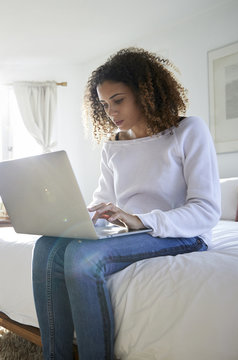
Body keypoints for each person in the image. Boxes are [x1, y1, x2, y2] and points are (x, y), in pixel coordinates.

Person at [31, 47, 221, 359]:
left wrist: (140, 220)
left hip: (182, 234)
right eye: (104, 105)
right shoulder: (113, 146)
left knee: (82, 258)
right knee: (46, 247)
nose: (111, 112)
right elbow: (104, 199)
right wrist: (85, 217)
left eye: (118, 100)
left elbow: (207, 210)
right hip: (131, 232)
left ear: (146, 93)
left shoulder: (188, 131)